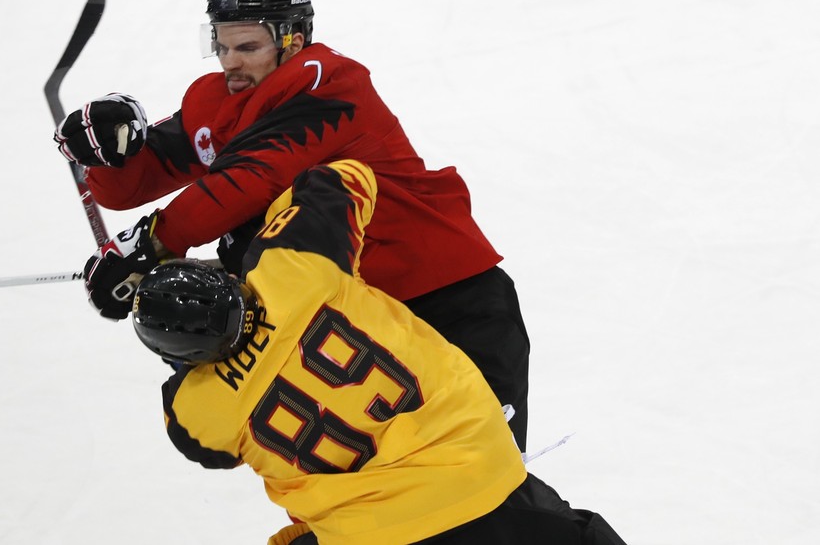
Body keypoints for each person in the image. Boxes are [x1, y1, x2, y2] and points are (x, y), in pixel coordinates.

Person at [57, 0, 531, 450]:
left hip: (446, 302)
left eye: (247, 48)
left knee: (481, 476)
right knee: (376, 494)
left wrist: (149, 244)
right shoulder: (217, 100)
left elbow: (251, 177)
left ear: (294, 40)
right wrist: (114, 152)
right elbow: (128, 188)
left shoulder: (328, 84)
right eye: (220, 46)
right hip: (350, 326)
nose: (229, 63)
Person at [130, 160, 626, 545]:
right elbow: (344, 177)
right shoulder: (291, 268)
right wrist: (257, 238)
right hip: (478, 479)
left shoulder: (194, 412)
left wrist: (176, 347)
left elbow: (199, 431)